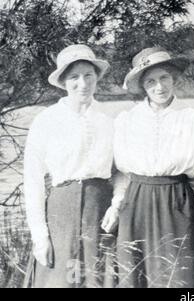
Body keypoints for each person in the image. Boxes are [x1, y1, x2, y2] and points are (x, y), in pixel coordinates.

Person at [101, 47, 194, 288]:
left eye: (164, 78)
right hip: (136, 203)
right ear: (143, 86)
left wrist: (186, 195)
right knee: (137, 273)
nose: (159, 87)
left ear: (174, 78)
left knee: (180, 274)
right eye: (151, 81)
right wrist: (116, 204)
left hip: (178, 201)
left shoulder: (192, 118)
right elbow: (122, 172)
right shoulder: (127, 120)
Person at [24, 44, 115, 288]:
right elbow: (32, 181)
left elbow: (122, 171)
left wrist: (116, 206)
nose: (82, 83)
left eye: (88, 75)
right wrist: (40, 236)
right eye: (74, 77)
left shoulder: (109, 119)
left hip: (100, 209)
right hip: (60, 212)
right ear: (63, 81)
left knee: (99, 279)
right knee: (61, 279)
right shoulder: (46, 120)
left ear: (97, 77)